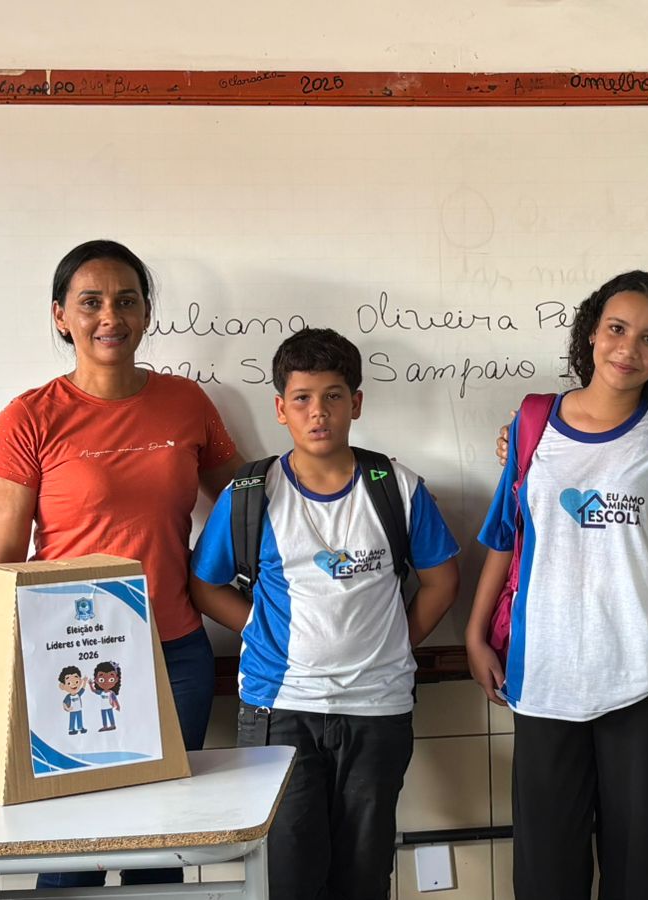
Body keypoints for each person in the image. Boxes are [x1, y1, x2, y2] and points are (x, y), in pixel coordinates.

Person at [0, 239, 241, 889]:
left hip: (175, 653)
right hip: (70, 662)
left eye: (126, 301)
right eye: (90, 302)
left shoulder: (187, 404)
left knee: (162, 854)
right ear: (61, 316)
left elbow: (246, 507)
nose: (110, 317)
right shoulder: (27, 420)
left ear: (146, 313)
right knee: (74, 857)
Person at [189, 327, 461, 900]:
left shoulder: (396, 486)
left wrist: (397, 641)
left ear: (355, 403)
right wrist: (258, 628)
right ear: (280, 408)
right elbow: (205, 585)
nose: (319, 412)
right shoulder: (251, 493)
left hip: (377, 710)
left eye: (334, 396)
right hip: (279, 710)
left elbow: (442, 580)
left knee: (363, 875)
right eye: (303, 398)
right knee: (288, 874)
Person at [465, 271, 648, 900]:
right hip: (545, 676)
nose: (628, 349)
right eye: (617, 329)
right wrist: (474, 634)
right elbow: (505, 535)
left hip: (641, 675)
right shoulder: (533, 421)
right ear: (592, 332)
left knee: (635, 871)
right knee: (547, 873)